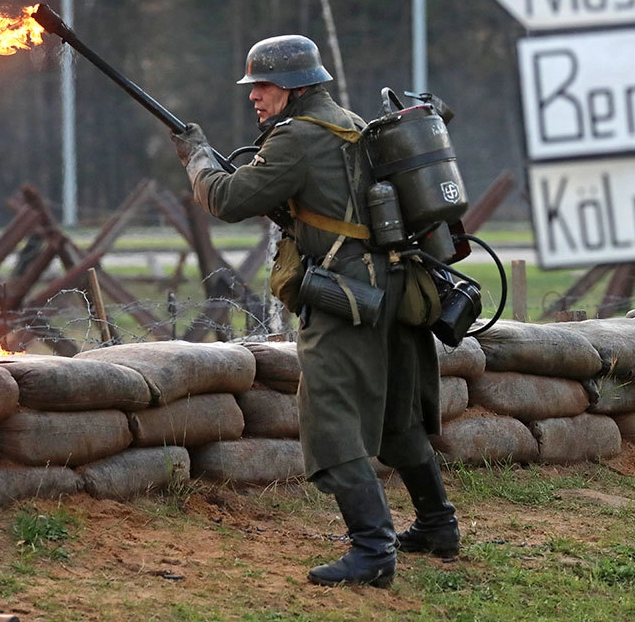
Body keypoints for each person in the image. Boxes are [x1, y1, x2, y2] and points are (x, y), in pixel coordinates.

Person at [171, 34, 460, 588]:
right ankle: (436, 525)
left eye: (265, 85)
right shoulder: (350, 123)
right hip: (398, 288)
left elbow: (228, 200)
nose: (254, 96)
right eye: (253, 85)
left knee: (328, 418)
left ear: (297, 88)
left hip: (347, 297)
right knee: (396, 413)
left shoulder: (298, 138)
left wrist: (197, 156)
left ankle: (373, 552)